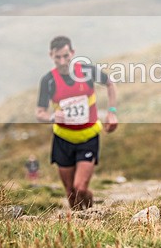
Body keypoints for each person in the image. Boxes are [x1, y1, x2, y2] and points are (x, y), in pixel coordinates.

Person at [35, 36, 118, 210]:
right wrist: (51, 117)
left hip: (88, 138)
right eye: (58, 57)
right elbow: (39, 112)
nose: (63, 61)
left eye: (66, 56)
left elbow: (110, 83)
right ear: (51, 55)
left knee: (80, 188)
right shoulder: (48, 80)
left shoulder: (86, 71)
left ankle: (90, 213)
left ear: (72, 52)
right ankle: (79, 223)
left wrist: (112, 113)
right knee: (71, 192)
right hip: (63, 140)